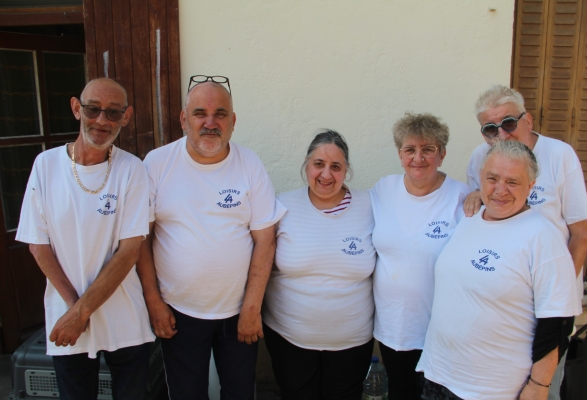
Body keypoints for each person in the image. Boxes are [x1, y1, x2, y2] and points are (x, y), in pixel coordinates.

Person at [137, 75, 286, 399]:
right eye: (199, 113)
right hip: (178, 312)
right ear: (183, 119)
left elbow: (265, 239)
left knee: (240, 393)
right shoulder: (158, 164)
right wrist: (153, 302)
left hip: (238, 313)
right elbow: (141, 240)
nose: (210, 122)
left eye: (220, 114)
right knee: (186, 394)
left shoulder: (249, 163)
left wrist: (252, 306)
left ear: (232, 122)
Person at [16, 78, 154, 400]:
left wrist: (81, 313)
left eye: (113, 113)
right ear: (77, 109)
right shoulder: (46, 166)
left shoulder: (131, 169)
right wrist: (75, 310)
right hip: (66, 312)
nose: (102, 120)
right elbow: (38, 243)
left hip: (124, 317)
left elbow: (129, 251)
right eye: (93, 109)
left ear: (127, 116)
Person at [417, 140, 581, 400]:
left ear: (531, 187)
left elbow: (557, 321)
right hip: (439, 375)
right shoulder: (470, 219)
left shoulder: (543, 237)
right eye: (492, 178)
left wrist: (539, 386)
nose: (500, 190)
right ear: (480, 177)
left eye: (513, 182)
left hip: (494, 389)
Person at [463, 85, 587, 397]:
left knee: (539, 389)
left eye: (508, 123)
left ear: (528, 120)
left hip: (546, 307)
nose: (502, 135)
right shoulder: (480, 158)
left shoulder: (559, 155)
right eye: (490, 129)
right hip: (500, 305)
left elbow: (582, 234)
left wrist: (552, 293)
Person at [262, 130, 376, 399]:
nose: (326, 175)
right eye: (319, 164)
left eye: (335, 167)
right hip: (289, 341)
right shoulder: (283, 206)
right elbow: (260, 261)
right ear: (306, 164)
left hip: (353, 344)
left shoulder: (370, 206)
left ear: (346, 170)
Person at [370, 113, 470, 400]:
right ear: (400, 155)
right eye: (410, 149)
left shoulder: (461, 198)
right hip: (392, 328)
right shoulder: (383, 190)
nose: (418, 157)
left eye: (428, 149)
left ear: (442, 154)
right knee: (400, 393)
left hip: (440, 331)